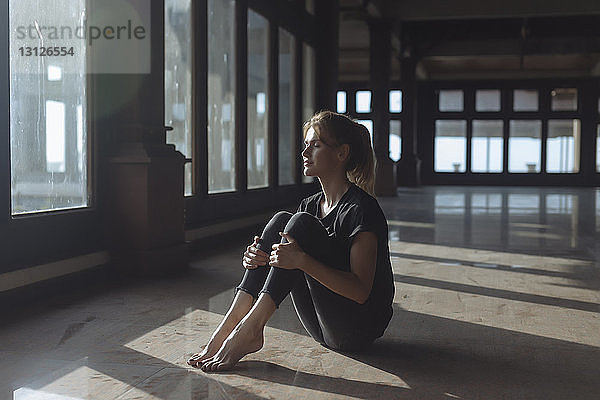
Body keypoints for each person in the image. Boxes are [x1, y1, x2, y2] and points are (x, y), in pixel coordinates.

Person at [187, 110, 395, 372]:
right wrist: (258, 257)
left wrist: (301, 261)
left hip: (357, 329)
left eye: (316, 145)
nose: (305, 153)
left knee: (299, 223)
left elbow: (361, 292)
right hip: (322, 326)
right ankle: (226, 329)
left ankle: (251, 329)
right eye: (306, 145)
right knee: (283, 220)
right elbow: (289, 252)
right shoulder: (309, 205)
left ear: (342, 153)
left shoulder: (362, 208)